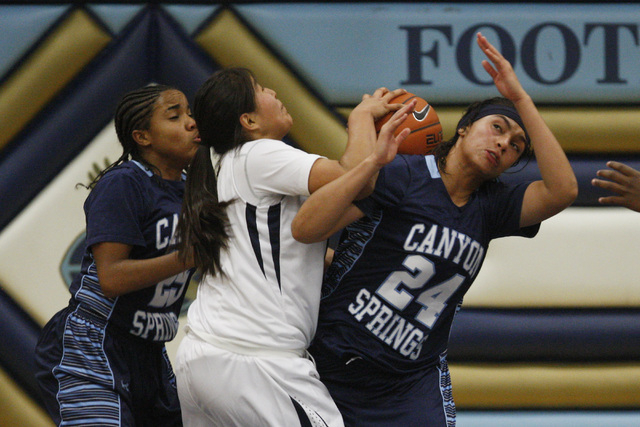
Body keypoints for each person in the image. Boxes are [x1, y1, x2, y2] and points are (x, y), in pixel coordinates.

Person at [291, 32, 579, 426]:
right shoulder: (402, 174)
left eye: (515, 145)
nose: (504, 143)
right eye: (496, 128)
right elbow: (306, 228)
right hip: (335, 362)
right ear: (463, 129)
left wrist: (521, 100)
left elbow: (564, 190)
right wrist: (370, 161)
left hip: (411, 380)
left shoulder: (494, 207)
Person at [172, 67, 413, 427]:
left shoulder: (223, 165)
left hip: (204, 356)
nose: (272, 89)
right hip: (254, 359)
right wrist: (361, 119)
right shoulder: (257, 154)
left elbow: (279, 248)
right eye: (260, 88)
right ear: (249, 120)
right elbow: (354, 178)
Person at [34, 84, 199, 426]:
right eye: (175, 115)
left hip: (150, 353)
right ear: (142, 136)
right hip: (93, 345)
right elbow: (111, 278)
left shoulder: (192, 188)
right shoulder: (124, 183)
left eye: (189, 113)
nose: (191, 122)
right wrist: (188, 257)